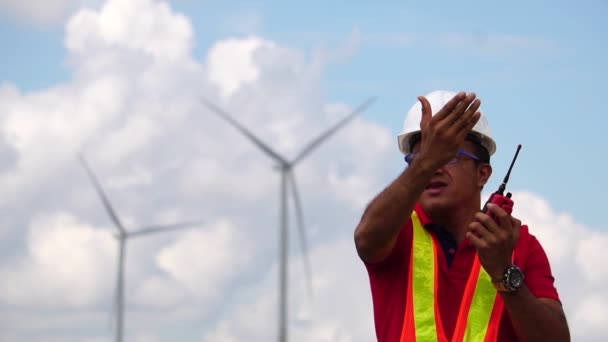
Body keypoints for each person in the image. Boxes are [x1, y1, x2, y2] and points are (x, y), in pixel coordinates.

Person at [354, 90, 570, 341]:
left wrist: (505, 273)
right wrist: (427, 161)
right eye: (420, 157)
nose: (434, 167)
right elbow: (366, 239)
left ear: (483, 174)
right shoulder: (397, 230)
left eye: (450, 156)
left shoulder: (518, 244)